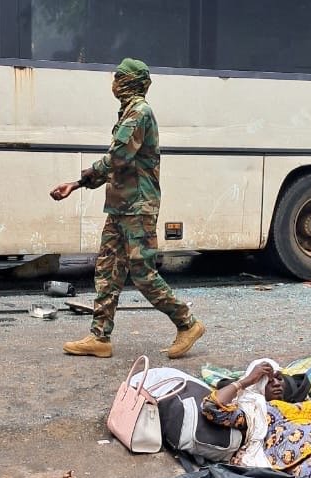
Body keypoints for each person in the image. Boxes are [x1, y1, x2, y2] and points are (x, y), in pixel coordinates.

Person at [50, 57, 204, 359]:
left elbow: (118, 157)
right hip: (120, 207)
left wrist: (81, 179)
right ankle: (99, 337)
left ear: (129, 82)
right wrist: (78, 184)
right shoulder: (128, 112)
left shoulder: (139, 112)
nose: (114, 83)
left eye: (118, 78)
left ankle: (188, 323)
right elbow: (118, 165)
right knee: (108, 270)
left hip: (138, 208)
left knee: (142, 273)